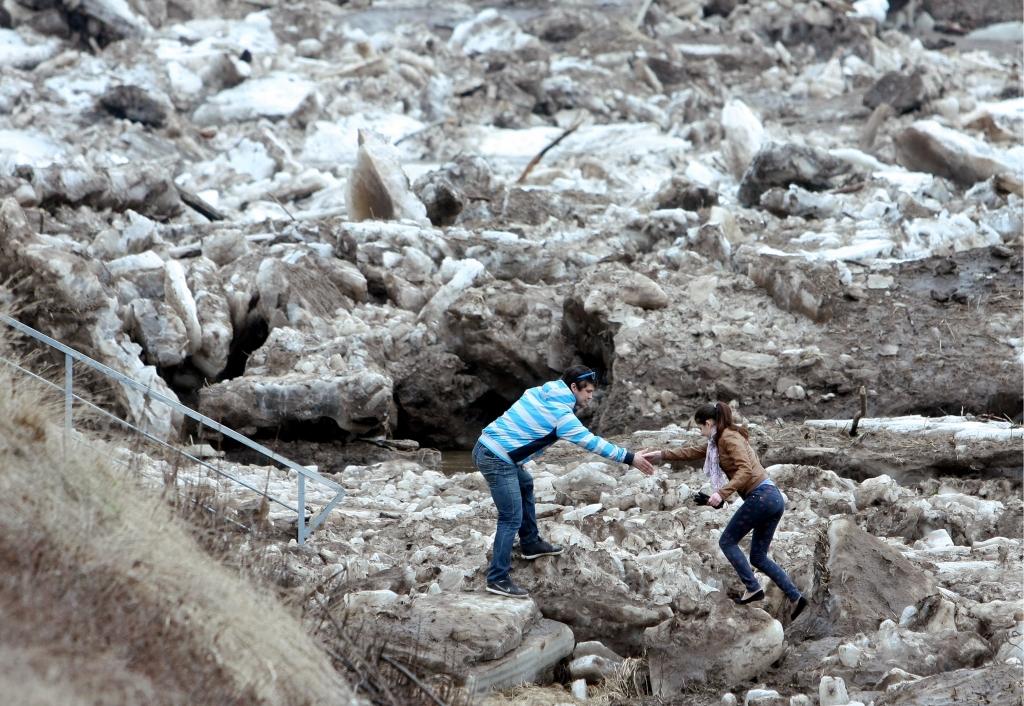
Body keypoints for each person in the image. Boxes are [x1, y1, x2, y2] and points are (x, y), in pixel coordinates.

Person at [474, 365, 656, 599]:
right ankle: (497, 578)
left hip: (487, 447)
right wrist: (630, 457)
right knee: (510, 517)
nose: (591, 396)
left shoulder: (540, 392)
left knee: (526, 484)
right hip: (497, 459)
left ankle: (530, 543)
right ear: (573, 388)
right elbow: (592, 442)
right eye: (587, 391)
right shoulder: (562, 416)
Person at [643, 401, 808, 620]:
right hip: (771, 499)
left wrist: (722, 493)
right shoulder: (718, 442)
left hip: (762, 497)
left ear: (709, 423)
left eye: (700, 428)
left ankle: (753, 588)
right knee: (758, 557)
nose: (701, 434)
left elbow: (745, 469)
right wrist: (661, 455)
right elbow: (691, 452)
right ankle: (796, 597)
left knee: (727, 541)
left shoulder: (729, 438)